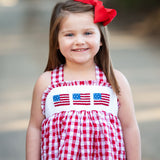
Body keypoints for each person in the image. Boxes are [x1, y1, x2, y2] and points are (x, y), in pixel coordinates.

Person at [26, 0, 141, 159]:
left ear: (101, 39)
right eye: (69, 34)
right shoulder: (47, 83)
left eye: (88, 33)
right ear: (56, 41)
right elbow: (35, 128)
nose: (79, 41)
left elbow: (129, 127)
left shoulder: (114, 80)